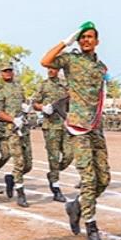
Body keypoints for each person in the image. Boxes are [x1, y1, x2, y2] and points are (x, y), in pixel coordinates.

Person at [41, 21, 110, 240]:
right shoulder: (71, 60)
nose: (86, 40)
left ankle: (77, 205)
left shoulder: (102, 68)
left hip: (96, 127)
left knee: (104, 179)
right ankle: (91, 227)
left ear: (97, 41)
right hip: (78, 127)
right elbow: (46, 61)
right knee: (88, 179)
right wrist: (65, 42)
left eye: (90, 37)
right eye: (82, 37)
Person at [0, 61, 33, 207]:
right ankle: (21, 194)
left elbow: (23, 104)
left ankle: (11, 178)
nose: (8, 73)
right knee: (19, 162)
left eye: (9, 70)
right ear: (1, 74)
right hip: (11, 130)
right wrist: (13, 120)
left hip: (24, 130)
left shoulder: (19, 87)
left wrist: (26, 108)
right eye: (5, 71)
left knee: (28, 164)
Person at [32, 67, 72, 202]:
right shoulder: (43, 85)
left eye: (53, 68)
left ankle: (53, 173)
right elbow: (34, 103)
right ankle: (56, 188)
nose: (50, 70)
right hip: (50, 126)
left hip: (65, 125)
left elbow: (72, 101)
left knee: (69, 154)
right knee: (53, 158)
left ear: (58, 70)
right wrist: (43, 107)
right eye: (49, 68)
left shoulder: (65, 85)